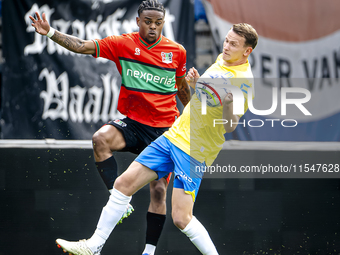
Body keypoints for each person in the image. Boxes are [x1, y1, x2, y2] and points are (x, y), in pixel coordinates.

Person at [54, 23, 258, 255]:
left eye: (233, 44)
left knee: (182, 218)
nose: (227, 46)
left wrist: (229, 105)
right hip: (174, 136)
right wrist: (194, 85)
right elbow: (207, 100)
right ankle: (94, 245)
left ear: (247, 51)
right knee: (122, 185)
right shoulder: (224, 58)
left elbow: (230, 125)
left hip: (194, 150)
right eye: (227, 40)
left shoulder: (243, 82)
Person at [29, 1, 190, 255]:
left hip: (164, 130)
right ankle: (119, 199)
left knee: (158, 192)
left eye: (158, 23)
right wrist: (50, 32)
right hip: (135, 123)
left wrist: (193, 119)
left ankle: (148, 251)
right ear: (138, 21)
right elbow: (82, 46)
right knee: (100, 138)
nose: (153, 27)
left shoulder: (176, 51)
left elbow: (182, 88)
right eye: (148, 22)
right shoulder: (123, 44)